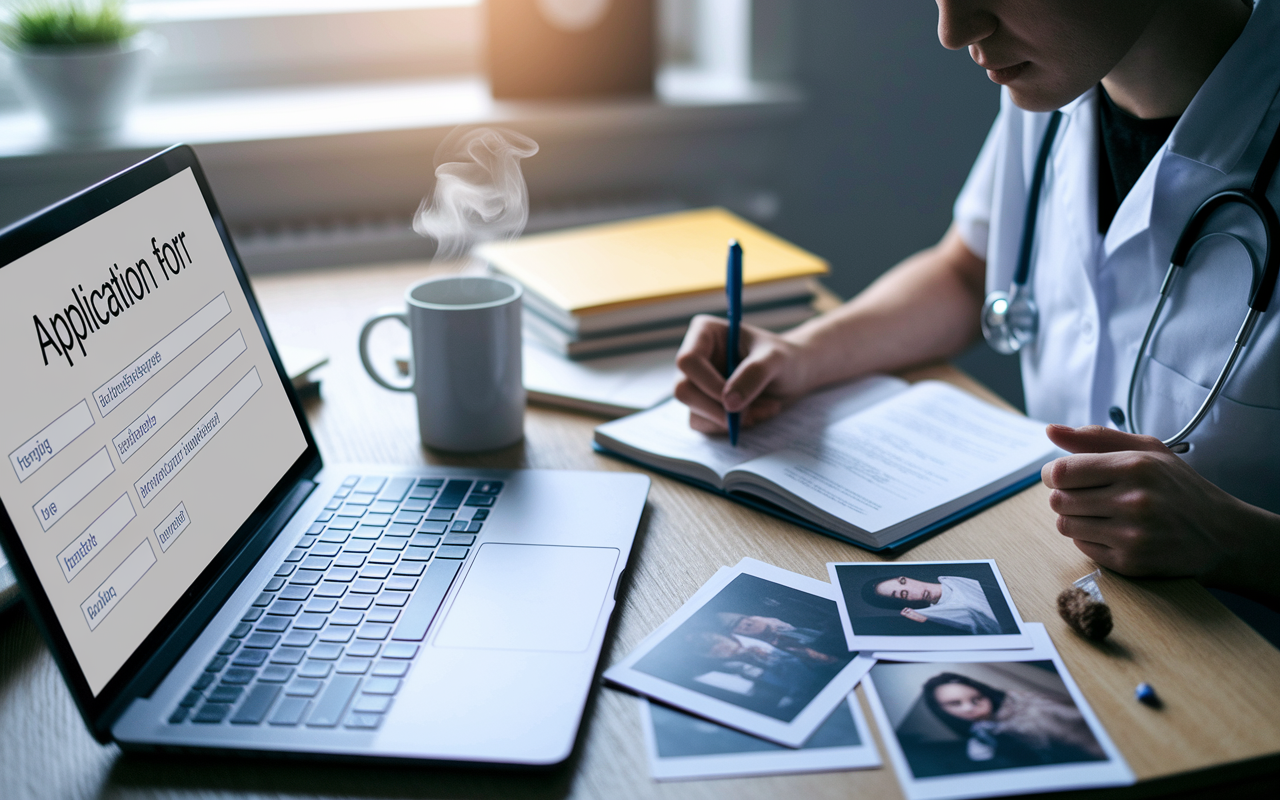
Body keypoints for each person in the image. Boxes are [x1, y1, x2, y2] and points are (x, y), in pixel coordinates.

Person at [674, 0, 1280, 608]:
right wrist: (801, 353)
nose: (952, 30)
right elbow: (967, 272)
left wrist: (1235, 542)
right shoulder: (1055, 84)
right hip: (1072, 587)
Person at [920, 672, 1105, 766]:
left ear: (985, 693)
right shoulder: (983, 729)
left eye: (976, 699)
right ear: (941, 711)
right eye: (955, 704)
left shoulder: (1036, 713)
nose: (969, 708)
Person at [861, 575, 1002, 635]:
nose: (913, 591)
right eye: (902, 594)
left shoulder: (958, 579)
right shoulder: (937, 616)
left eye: (903, 581)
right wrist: (927, 619)